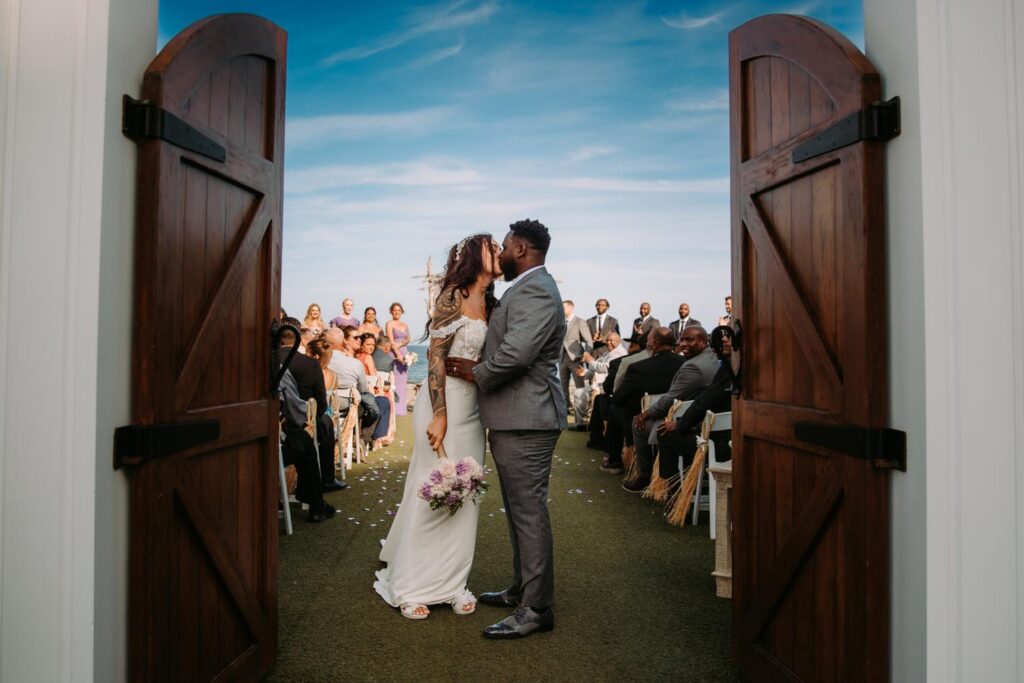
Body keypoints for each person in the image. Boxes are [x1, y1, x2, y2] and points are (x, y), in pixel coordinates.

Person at [447, 218, 566, 640]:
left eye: (504, 247)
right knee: (520, 510)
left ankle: (536, 608)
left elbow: (517, 354)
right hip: (518, 417)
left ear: (519, 249)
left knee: (528, 512)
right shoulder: (526, 287)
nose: (499, 255)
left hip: (528, 419)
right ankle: (522, 588)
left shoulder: (535, 288)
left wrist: (477, 373)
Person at [375, 233, 501, 621]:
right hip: (442, 403)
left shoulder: (494, 304)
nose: (498, 250)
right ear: (473, 257)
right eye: (491, 245)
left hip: (474, 409)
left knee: (467, 491)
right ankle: (412, 584)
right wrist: (440, 414)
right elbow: (434, 357)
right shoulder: (452, 294)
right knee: (433, 486)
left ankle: (452, 583)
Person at [626, 326, 717, 491]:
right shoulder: (712, 358)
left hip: (690, 425)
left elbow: (670, 399)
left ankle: (646, 477)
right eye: (681, 339)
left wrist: (645, 413)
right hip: (702, 421)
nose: (683, 344)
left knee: (638, 423)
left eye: (690, 340)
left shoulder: (694, 367)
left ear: (704, 342)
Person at [654, 325, 738, 486]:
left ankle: (673, 493)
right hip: (730, 441)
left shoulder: (729, 369)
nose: (725, 340)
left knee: (665, 433)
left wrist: (679, 425)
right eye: (723, 336)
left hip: (718, 448)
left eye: (730, 336)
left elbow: (703, 402)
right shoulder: (728, 366)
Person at [603, 327, 684, 476]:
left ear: (655, 344)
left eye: (649, 341)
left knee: (614, 408)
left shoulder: (638, 368)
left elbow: (618, 397)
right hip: (679, 417)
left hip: (643, 419)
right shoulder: (684, 364)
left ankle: (616, 461)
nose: (648, 344)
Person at [279, 319, 345, 493]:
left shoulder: (267, 359)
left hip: (276, 423)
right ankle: (327, 479)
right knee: (326, 422)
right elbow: (322, 404)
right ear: (300, 337)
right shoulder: (310, 363)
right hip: (303, 422)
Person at [356, 333, 393, 449]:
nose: (371, 347)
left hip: (358, 393)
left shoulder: (355, 355)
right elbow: (373, 379)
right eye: (368, 344)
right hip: (367, 393)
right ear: (361, 344)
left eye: (373, 344)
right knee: (385, 402)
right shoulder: (368, 358)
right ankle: (373, 437)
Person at [559, 300, 593, 417]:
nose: (561, 309)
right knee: (563, 384)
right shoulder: (560, 322)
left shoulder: (580, 322)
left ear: (571, 307)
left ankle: (582, 409)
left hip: (576, 358)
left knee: (579, 384)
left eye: (563, 307)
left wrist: (586, 354)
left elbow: (589, 341)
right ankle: (566, 408)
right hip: (561, 357)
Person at [385, 302, 411, 416]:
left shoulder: (405, 324)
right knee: (394, 380)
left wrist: (401, 347)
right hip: (394, 354)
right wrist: (398, 354)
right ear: (391, 311)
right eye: (394, 310)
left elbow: (408, 338)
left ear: (402, 312)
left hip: (404, 353)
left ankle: (401, 408)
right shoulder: (389, 323)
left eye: (399, 310)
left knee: (403, 381)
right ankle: (393, 407)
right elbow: (391, 341)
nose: (397, 312)